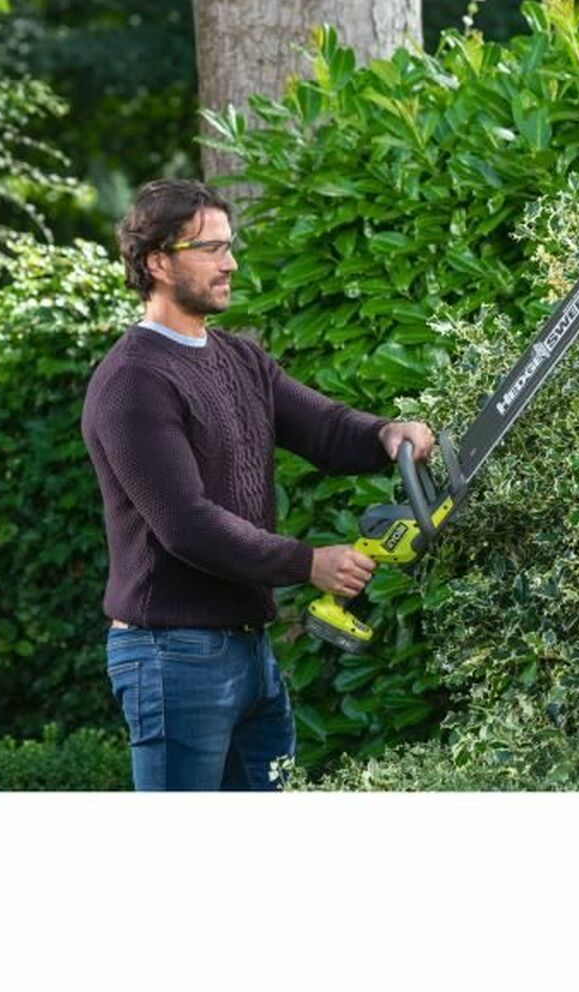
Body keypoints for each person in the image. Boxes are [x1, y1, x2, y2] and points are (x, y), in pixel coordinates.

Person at [81, 178, 434, 791]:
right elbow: (188, 524)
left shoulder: (239, 359)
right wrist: (308, 563)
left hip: (248, 649)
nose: (231, 263)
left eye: (229, 245)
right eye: (211, 249)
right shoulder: (134, 381)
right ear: (158, 262)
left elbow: (325, 428)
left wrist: (385, 433)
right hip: (172, 654)